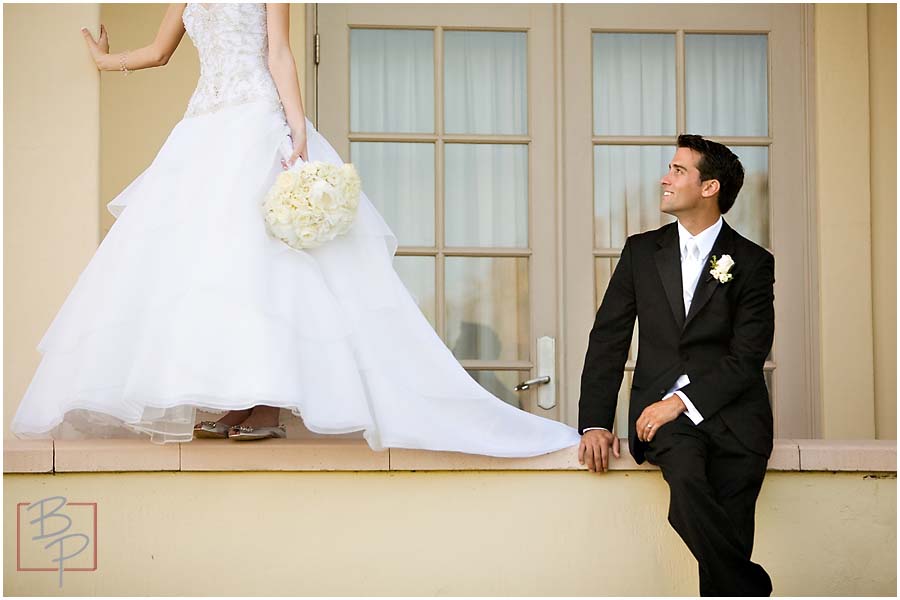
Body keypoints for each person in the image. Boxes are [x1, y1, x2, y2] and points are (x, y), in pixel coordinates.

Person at [10, 3, 581, 456]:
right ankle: (239, 397)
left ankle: (266, 404)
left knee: (268, 262)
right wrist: (105, 61)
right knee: (216, 268)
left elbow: (279, 52)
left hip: (257, 120)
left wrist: (296, 129)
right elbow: (161, 52)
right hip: (203, 130)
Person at [577, 135, 775, 596]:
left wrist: (683, 401)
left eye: (678, 170)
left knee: (728, 539)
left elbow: (747, 356)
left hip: (737, 421)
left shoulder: (752, 262)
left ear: (710, 188)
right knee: (685, 482)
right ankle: (750, 587)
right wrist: (594, 424)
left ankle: (734, 585)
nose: (665, 179)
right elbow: (609, 339)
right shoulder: (641, 252)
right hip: (662, 421)